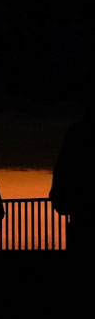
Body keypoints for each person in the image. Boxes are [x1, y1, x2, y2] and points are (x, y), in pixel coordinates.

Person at [50, 105, 94, 253]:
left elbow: (63, 166)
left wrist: (58, 195)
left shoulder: (75, 132)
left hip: (79, 206)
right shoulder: (76, 132)